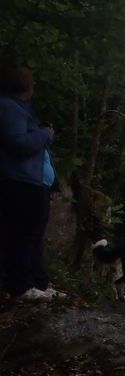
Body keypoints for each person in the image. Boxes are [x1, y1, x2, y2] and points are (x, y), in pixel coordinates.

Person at [0, 64, 64, 301]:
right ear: (24, 86)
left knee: (34, 237)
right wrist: (45, 133)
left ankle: (39, 284)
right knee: (22, 236)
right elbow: (18, 143)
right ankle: (20, 287)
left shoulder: (18, 108)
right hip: (20, 183)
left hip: (34, 184)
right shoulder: (8, 107)